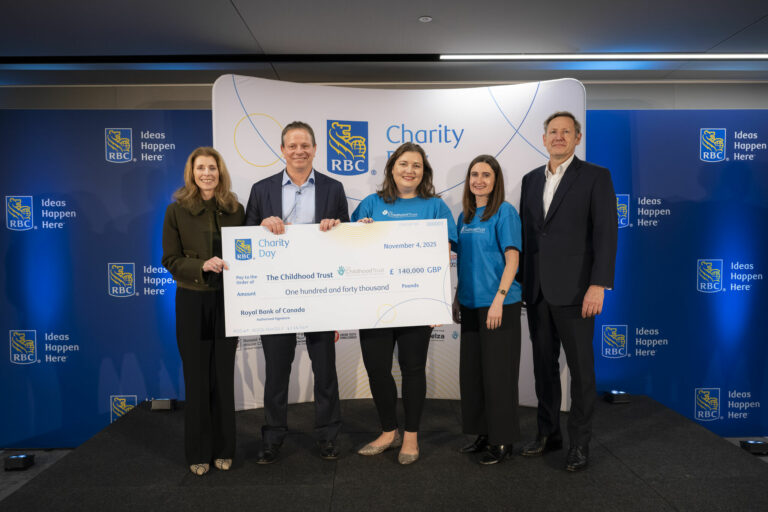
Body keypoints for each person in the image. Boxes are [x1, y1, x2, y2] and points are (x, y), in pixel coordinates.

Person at [519, 111, 618, 472]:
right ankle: (549, 434)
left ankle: (579, 444)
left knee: (581, 372)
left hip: (578, 291)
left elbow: (607, 234)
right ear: (543, 139)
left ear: (577, 138)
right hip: (538, 291)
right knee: (543, 369)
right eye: (552, 132)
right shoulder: (530, 181)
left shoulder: (595, 177)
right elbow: (530, 237)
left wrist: (599, 284)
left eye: (565, 132)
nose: (558, 137)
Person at [244, 121, 348, 464]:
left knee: (325, 370)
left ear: (315, 149)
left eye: (305, 145)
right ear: (282, 149)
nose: (299, 151)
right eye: (292, 145)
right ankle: (272, 438)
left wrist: (338, 228)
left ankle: (328, 437)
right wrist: (260, 228)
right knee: (276, 371)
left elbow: (347, 242)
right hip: (277, 296)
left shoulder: (334, 189)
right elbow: (245, 240)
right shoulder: (261, 189)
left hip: (320, 294)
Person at [351, 142, 457, 465]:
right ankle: (388, 431)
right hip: (375, 304)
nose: (409, 170)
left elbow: (445, 255)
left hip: (417, 304)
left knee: (413, 369)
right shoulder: (371, 204)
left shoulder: (435, 207)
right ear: (392, 169)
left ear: (423, 172)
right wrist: (358, 231)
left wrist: (437, 302)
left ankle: (410, 435)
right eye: (403, 164)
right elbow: (349, 249)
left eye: (417, 166)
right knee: (377, 369)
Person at [162, 147, 245, 476]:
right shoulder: (176, 210)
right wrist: (201, 265)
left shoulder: (235, 209)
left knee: (223, 378)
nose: (207, 173)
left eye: (212, 167)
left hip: (229, 302)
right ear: (191, 172)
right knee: (197, 380)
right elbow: (170, 260)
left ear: (220, 172)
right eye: (201, 168)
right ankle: (198, 452)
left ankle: (225, 449)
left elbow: (254, 246)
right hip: (192, 301)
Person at [453, 155, 522, 465]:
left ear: (496, 181)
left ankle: (503, 440)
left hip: (500, 306)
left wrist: (498, 298)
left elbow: (513, 259)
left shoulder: (504, 212)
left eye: (486, 175)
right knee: (473, 375)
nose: (479, 180)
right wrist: (457, 296)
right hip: (469, 304)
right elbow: (465, 263)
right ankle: (482, 433)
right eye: (474, 174)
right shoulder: (464, 216)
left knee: (498, 376)